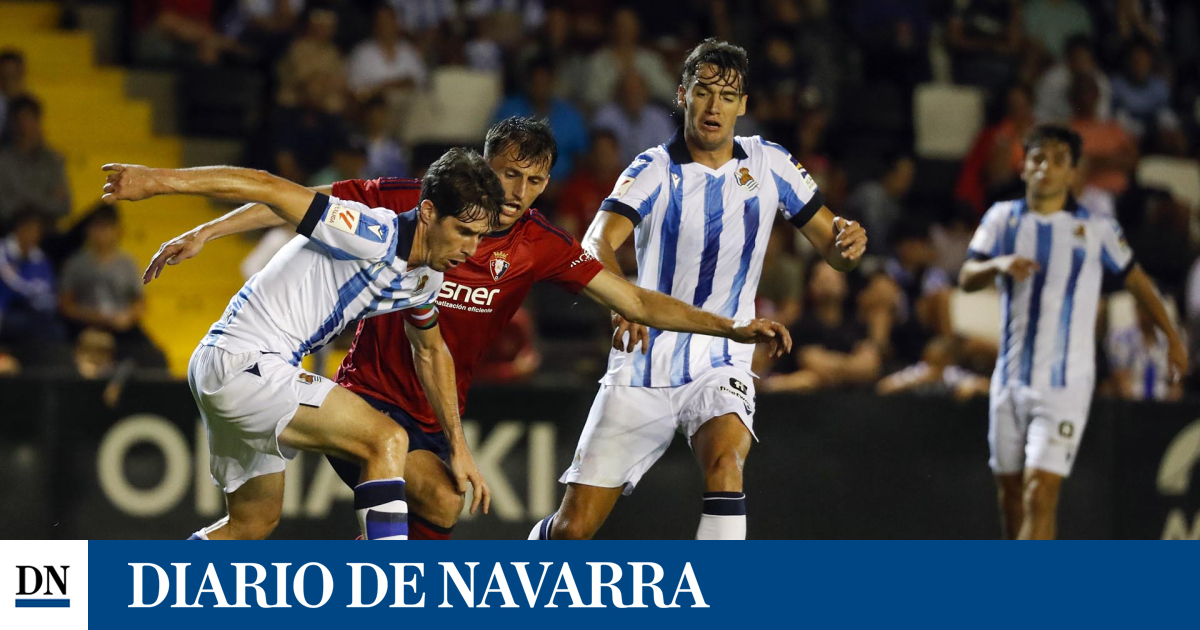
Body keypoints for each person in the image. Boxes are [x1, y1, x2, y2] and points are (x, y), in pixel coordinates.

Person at [142, 116, 792, 540]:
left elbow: (636, 300)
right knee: (390, 450)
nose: (521, 190)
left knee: (286, 519)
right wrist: (204, 226)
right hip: (355, 386)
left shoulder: (528, 246)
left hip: (421, 403)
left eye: (535, 179)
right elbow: (288, 198)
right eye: (510, 173)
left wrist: (729, 329)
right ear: (482, 169)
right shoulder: (410, 206)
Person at [529, 39, 867, 541]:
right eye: (704, 93)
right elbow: (596, 242)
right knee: (572, 531)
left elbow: (831, 246)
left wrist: (848, 243)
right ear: (683, 95)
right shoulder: (652, 169)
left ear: (743, 105)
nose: (714, 107)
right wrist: (623, 304)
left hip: (722, 358)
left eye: (727, 97)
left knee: (726, 466)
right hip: (643, 362)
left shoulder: (769, 163)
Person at [102, 148, 504, 540]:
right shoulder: (368, 232)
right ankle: (388, 589)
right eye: (463, 232)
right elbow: (267, 187)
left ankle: (155, 597)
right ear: (430, 212)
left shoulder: (426, 277)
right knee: (387, 439)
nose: (470, 250)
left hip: (234, 364)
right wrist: (155, 180)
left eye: (479, 237)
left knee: (251, 524)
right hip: (246, 363)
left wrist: (458, 447)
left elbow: (430, 350)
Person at [959, 125, 1187, 540]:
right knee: (1011, 495)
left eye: (1058, 160)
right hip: (1009, 380)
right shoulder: (1000, 219)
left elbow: (1137, 282)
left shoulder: (1097, 229)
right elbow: (966, 276)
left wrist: (1172, 338)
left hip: (1065, 384)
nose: (1046, 167)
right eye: (1038, 158)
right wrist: (998, 265)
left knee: (1039, 492)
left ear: (1073, 172)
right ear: (1024, 167)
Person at [59, 205, 166, 370]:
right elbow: (66, 306)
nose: (102, 233)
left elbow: (140, 303)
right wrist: (95, 317)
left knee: (156, 358)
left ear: (117, 230)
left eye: (106, 227)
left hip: (120, 327)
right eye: (97, 227)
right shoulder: (76, 264)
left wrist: (127, 317)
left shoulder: (127, 263)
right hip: (85, 325)